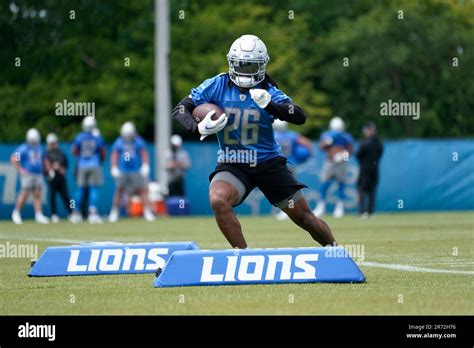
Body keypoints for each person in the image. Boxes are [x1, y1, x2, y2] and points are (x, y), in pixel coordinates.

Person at [171, 34, 336, 248]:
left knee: (305, 218)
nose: (245, 70)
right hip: (233, 163)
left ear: (262, 66)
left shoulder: (267, 90)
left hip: (268, 163)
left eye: (251, 66)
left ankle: (336, 253)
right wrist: (197, 127)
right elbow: (181, 109)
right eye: (241, 65)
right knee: (218, 200)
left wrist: (270, 105)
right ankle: (243, 257)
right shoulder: (216, 85)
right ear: (231, 63)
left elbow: (299, 116)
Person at [109, 122, 155, 222]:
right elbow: (115, 154)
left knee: (143, 190)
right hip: (123, 171)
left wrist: (145, 165)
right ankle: (114, 212)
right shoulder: (119, 141)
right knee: (119, 191)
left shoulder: (138, 141)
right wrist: (114, 167)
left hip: (135, 170)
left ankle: (147, 212)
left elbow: (144, 153)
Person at [313, 117, 353, 218]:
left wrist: (343, 156)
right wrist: (328, 142)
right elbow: (322, 147)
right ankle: (321, 206)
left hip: (342, 163)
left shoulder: (346, 136)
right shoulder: (327, 135)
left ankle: (340, 207)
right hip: (330, 162)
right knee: (324, 183)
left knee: (341, 184)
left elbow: (350, 149)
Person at [272, 119, 313, 220]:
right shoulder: (292, 135)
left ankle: (288, 211)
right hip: (290, 163)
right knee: (290, 190)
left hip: (277, 164)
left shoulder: (272, 135)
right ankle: (289, 210)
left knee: (282, 190)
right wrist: (310, 154)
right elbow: (307, 143)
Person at [10, 128, 50, 224]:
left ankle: (38, 214)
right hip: (28, 174)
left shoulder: (39, 148)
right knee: (25, 194)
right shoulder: (24, 148)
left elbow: (44, 160)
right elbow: (14, 158)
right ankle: (16, 212)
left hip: (38, 174)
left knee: (37, 194)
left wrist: (48, 170)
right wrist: (20, 169)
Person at [70, 116, 106, 224]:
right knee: (93, 189)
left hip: (82, 165)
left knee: (80, 189)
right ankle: (93, 214)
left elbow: (74, 150)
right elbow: (103, 152)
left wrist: (81, 158)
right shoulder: (97, 137)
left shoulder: (79, 137)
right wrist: (99, 161)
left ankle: (76, 213)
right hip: (94, 164)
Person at [356, 122, 383, 218]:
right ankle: (371, 212)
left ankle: (362, 211)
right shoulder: (379, 143)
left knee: (362, 190)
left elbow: (358, 155)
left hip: (365, 170)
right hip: (375, 169)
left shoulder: (365, 143)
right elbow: (380, 154)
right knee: (372, 190)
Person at [45, 133, 72, 223]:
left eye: (54, 143)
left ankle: (72, 213)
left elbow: (66, 164)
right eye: (51, 143)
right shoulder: (45, 153)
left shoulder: (61, 152)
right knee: (52, 196)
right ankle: (54, 214)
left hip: (61, 178)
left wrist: (62, 168)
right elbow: (45, 166)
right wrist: (52, 167)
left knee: (67, 197)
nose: (53, 145)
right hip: (52, 178)